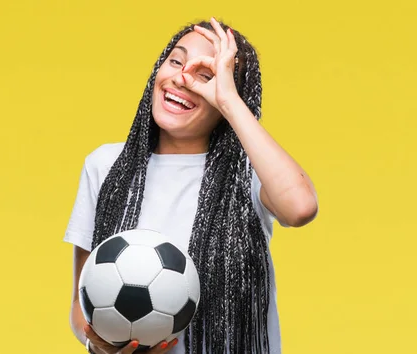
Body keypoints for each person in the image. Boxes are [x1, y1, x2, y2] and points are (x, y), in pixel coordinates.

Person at [63, 17, 318, 354]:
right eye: (176, 61)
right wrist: (101, 346)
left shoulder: (249, 169)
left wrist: (228, 101)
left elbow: (300, 208)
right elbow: (82, 308)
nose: (182, 79)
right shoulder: (106, 166)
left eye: (206, 75)